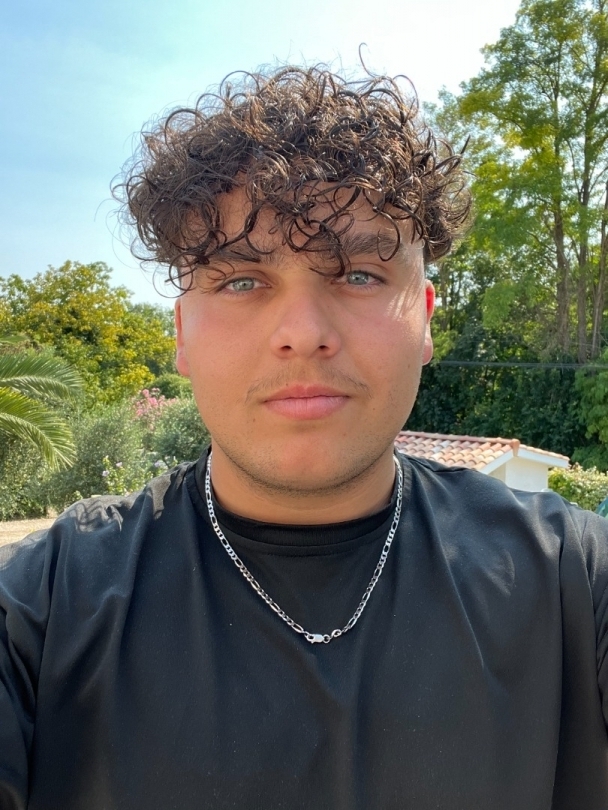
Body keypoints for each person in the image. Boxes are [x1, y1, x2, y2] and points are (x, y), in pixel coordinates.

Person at [1, 65, 607, 810]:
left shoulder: (575, 579)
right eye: (241, 281)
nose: (303, 333)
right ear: (182, 334)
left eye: (358, 275)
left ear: (425, 318)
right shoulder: (44, 604)